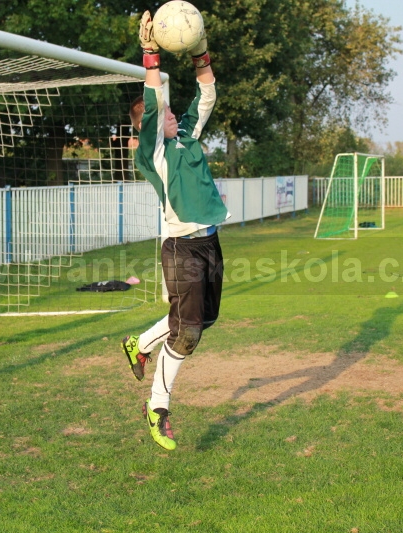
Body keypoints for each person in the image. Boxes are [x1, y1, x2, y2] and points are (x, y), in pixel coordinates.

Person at [121, 12, 229, 451]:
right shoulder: (152, 153)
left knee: (203, 319)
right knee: (188, 334)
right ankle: (157, 407)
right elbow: (152, 100)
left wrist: (200, 51)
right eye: (158, 112)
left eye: (166, 110)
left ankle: (140, 343)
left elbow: (206, 94)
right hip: (181, 247)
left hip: (209, 240)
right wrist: (150, 57)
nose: (166, 113)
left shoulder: (186, 134)